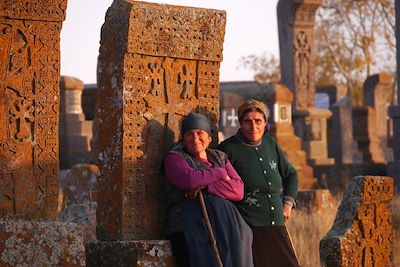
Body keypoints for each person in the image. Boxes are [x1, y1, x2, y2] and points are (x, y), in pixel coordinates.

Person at [161, 112, 254, 267]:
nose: (195, 138)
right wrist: (220, 173)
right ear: (183, 139)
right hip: (191, 223)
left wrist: (206, 185)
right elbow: (189, 180)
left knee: (241, 244)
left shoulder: (219, 157)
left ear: (209, 138)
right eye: (189, 134)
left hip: (228, 222)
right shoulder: (175, 158)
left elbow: (238, 190)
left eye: (200, 133)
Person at [218, 99, 300, 267]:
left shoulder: (271, 144)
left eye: (258, 121)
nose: (253, 126)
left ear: (265, 123)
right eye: (247, 121)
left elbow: (291, 174)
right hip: (249, 226)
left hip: (276, 222)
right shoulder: (227, 149)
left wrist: (288, 203)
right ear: (240, 123)